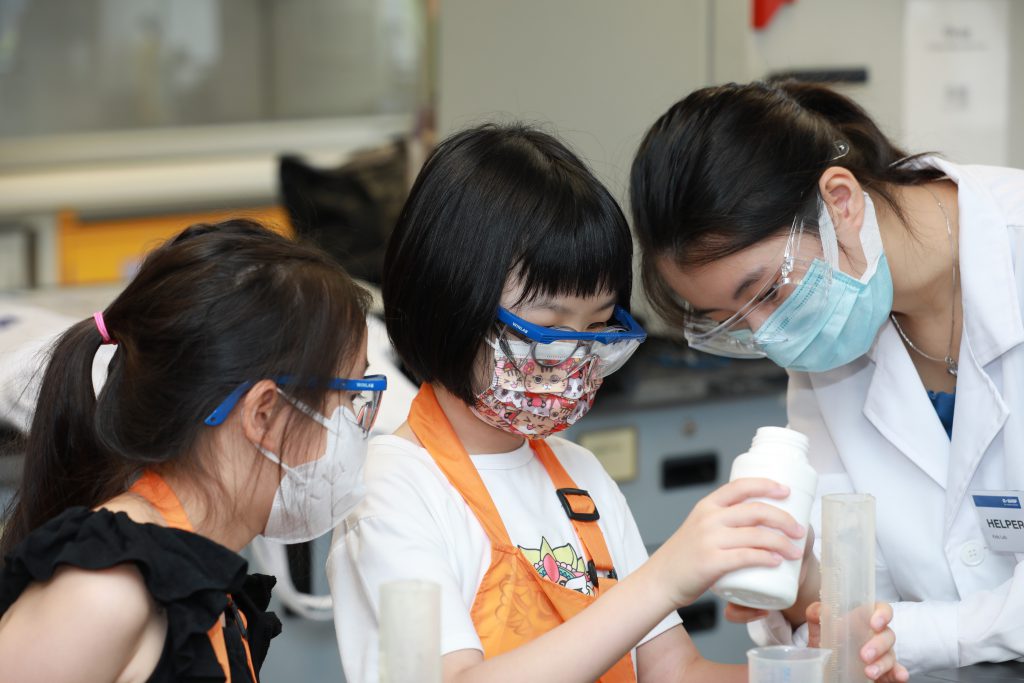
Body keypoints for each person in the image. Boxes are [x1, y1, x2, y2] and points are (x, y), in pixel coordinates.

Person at [328, 123, 898, 682]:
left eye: (598, 328)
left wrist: (816, 673)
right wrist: (664, 579)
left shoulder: (578, 476)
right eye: (548, 327)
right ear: (448, 302)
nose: (574, 356)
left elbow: (673, 673)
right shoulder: (390, 489)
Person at [630, 79, 1024, 675]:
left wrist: (907, 636)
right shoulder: (829, 328)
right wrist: (797, 572)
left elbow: (889, 627)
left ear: (840, 201)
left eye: (765, 291)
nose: (770, 335)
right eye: (735, 323)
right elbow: (853, 587)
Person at [0, 220, 386, 683]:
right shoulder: (106, 590)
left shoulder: (200, 580)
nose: (356, 422)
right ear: (264, 412)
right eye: (347, 397)